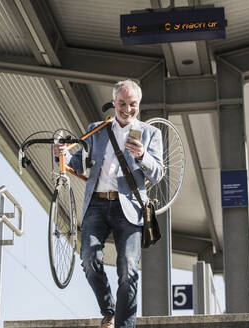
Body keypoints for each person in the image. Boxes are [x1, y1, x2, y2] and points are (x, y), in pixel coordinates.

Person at [54, 80, 163, 328]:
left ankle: (124, 326)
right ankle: (110, 311)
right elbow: (79, 163)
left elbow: (158, 174)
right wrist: (62, 154)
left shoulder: (150, 133)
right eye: (122, 103)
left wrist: (142, 155)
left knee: (128, 270)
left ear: (138, 104)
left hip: (131, 208)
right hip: (97, 204)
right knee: (89, 259)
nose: (127, 109)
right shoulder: (97, 129)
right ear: (114, 103)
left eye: (132, 104)